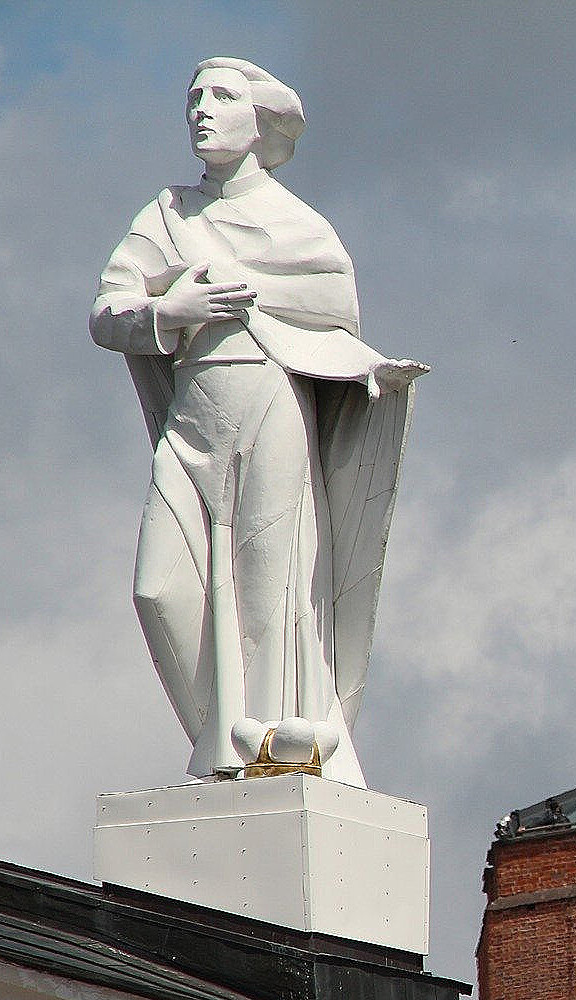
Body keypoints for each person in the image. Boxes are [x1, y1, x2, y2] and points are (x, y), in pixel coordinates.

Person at [91, 58, 428, 788]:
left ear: (262, 120)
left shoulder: (295, 222)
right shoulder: (167, 216)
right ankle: (220, 731)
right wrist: (166, 313)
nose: (201, 111)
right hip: (193, 415)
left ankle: (275, 743)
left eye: (221, 97)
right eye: (193, 99)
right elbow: (107, 313)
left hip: (268, 402)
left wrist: (263, 299)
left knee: (271, 588)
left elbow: (337, 306)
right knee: (160, 588)